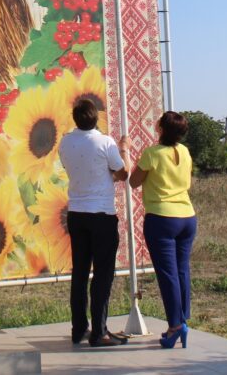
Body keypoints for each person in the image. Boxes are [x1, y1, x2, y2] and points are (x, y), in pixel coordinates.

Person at [58, 99, 130, 347]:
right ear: (96, 117)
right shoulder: (105, 142)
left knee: (79, 272)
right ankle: (99, 332)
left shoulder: (65, 142)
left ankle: (79, 329)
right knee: (102, 274)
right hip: (101, 213)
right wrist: (123, 149)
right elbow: (123, 173)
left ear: (75, 118)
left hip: (76, 213)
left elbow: (73, 167)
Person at [129, 111, 195, 348]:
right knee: (182, 270)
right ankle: (182, 319)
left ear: (161, 128)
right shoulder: (184, 151)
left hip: (162, 218)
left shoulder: (152, 153)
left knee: (167, 274)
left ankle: (175, 326)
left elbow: (133, 181)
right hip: (187, 216)